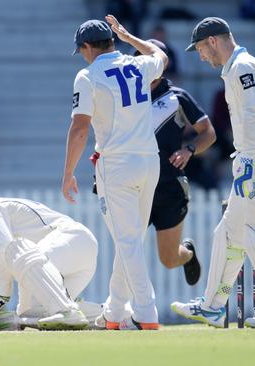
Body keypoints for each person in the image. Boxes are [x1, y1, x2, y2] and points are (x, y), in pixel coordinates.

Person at [171, 17, 255, 328]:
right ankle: (213, 307)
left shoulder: (242, 66)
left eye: (201, 48)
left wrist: (247, 162)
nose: (201, 55)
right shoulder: (237, 67)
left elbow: (254, 117)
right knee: (229, 232)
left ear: (214, 41)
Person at [62, 15, 168, 330]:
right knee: (131, 240)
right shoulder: (139, 64)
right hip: (150, 160)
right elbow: (160, 55)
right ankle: (114, 311)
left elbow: (80, 128)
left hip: (117, 163)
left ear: (86, 47)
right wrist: (129, 37)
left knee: (128, 241)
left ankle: (146, 314)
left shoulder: (88, 75)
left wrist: (67, 174)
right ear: (112, 41)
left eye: (81, 50)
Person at [0, 197, 101, 331]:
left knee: (16, 250)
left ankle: (66, 311)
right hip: (73, 256)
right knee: (31, 310)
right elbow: (6, 254)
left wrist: (2, 297)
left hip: (72, 239)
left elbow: (7, 249)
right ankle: (108, 316)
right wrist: (15, 317)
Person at [135, 39, 216, 285]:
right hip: (136, 186)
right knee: (128, 251)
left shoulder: (177, 97)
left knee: (169, 259)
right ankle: (124, 310)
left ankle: (188, 253)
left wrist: (189, 149)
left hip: (169, 185)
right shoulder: (125, 97)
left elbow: (208, 132)